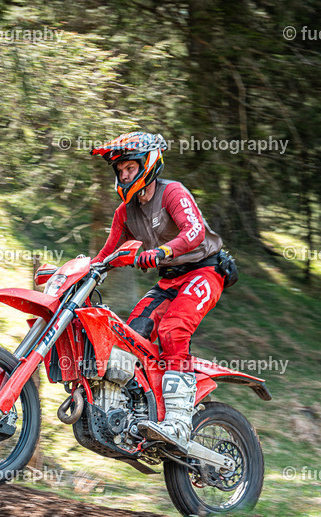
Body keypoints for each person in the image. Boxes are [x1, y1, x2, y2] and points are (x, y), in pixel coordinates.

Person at [89, 131, 230, 450]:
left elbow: (193, 233)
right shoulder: (124, 212)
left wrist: (162, 252)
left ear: (148, 164)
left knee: (173, 330)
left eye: (130, 168)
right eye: (120, 170)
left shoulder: (172, 193)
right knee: (129, 337)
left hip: (204, 272)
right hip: (168, 281)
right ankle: (133, 414)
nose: (124, 175)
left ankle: (179, 421)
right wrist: (81, 272)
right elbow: (106, 254)